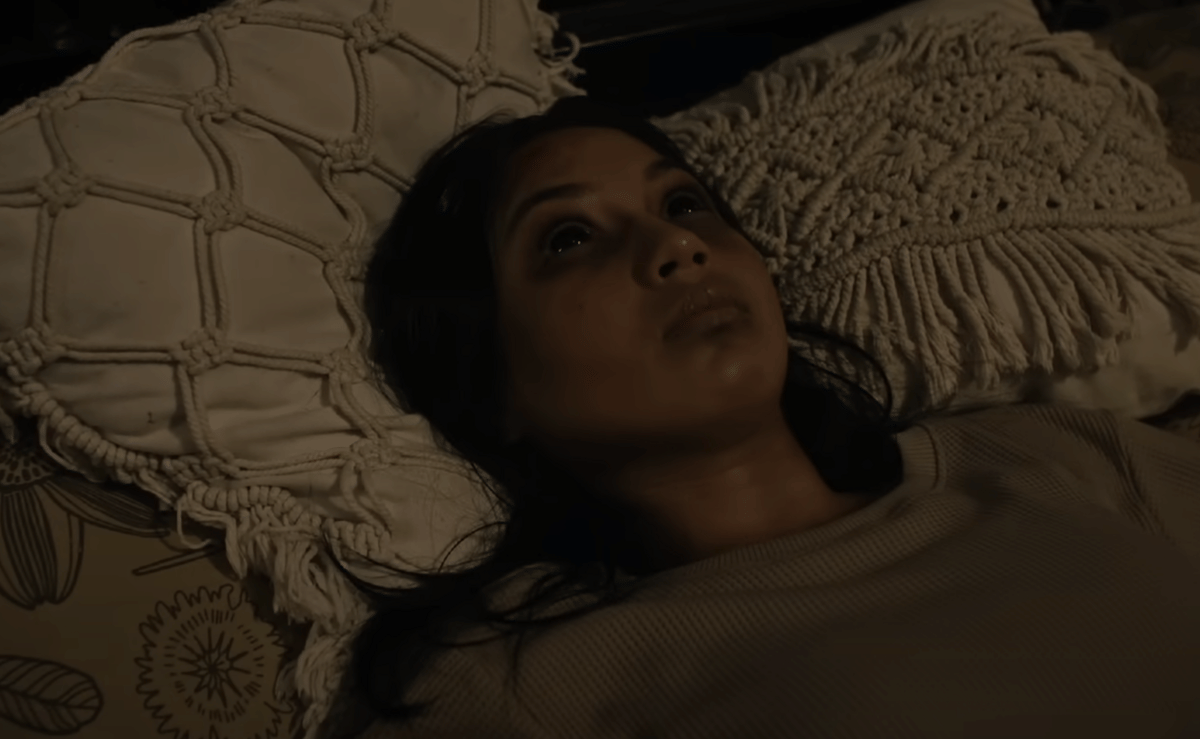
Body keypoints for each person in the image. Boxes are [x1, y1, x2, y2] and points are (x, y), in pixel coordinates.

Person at [330, 95, 1200, 738]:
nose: (677, 245)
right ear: (492, 388)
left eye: (683, 204)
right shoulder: (523, 677)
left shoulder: (1040, 453)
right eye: (570, 238)